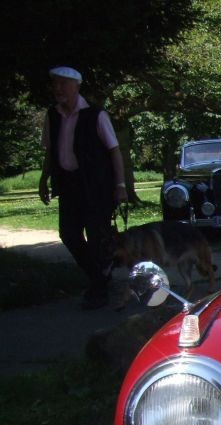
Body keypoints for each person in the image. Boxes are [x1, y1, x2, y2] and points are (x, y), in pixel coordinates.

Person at [38, 66, 128, 309]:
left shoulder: (96, 115)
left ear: (76, 86)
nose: (58, 89)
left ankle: (99, 289)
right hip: (69, 185)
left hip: (96, 186)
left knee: (97, 237)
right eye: (55, 84)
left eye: (63, 84)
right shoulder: (53, 115)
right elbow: (50, 151)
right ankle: (99, 277)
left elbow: (114, 151)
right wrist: (44, 178)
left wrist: (120, 185)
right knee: (68, 234)